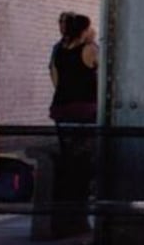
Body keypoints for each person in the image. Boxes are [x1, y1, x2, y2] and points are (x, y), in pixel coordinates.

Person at [48, 12, 98, 236]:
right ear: (84, 30)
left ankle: (63, 219)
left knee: (68, 162)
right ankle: (78, 219)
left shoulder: (58, 50)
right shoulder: (90, 49)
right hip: (86, 110)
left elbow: (54, 77)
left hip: (62, 109)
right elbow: (104, 72)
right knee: (84, 165)